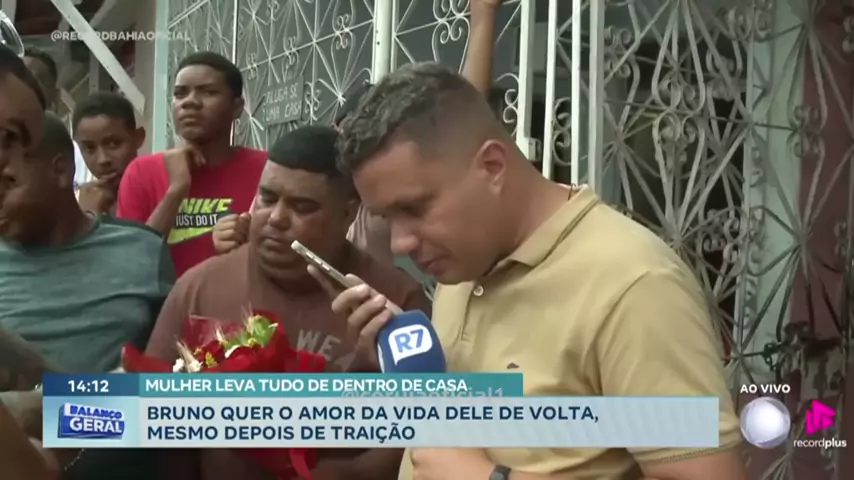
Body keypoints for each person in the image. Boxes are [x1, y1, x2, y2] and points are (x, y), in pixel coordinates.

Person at [323, 62, 748, 480]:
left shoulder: (634, 285)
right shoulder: (466, 262)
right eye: (387, 218)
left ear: (492, 167)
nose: (399, 244)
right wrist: (407, 362)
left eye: (414, 209)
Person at [145, 125, 431, 480]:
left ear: (348, 214)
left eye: (302, 207)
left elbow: (428, 429)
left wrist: (353, 472)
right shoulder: (198, 288)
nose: (276, 218)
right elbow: (148, 414)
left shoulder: (395, 302)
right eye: (267, 198)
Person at [211, 0, 505, 269]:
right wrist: (231, 237)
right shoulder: (294, 184)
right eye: (350, 137)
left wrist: (483, 18)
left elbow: (460, 128)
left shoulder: (380, 199)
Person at [117, 51, 266, 277]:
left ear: (237, 107)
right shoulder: (141, 173)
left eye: (208, 92)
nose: (190, 102)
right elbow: (130, 264)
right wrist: (176, 190)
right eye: (180, 93)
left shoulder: (266, 169)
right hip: (164, 300)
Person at [21, 46, 94, 188]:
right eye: (17, 80)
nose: (23, 89)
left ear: (55, 96)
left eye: (34, 80)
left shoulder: (80, 158)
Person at [72, 91, 145, 215]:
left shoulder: (165, 193)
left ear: (138, 138)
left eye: (114, 144)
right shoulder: (74, 208)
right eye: (90, 148)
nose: (103, 159)